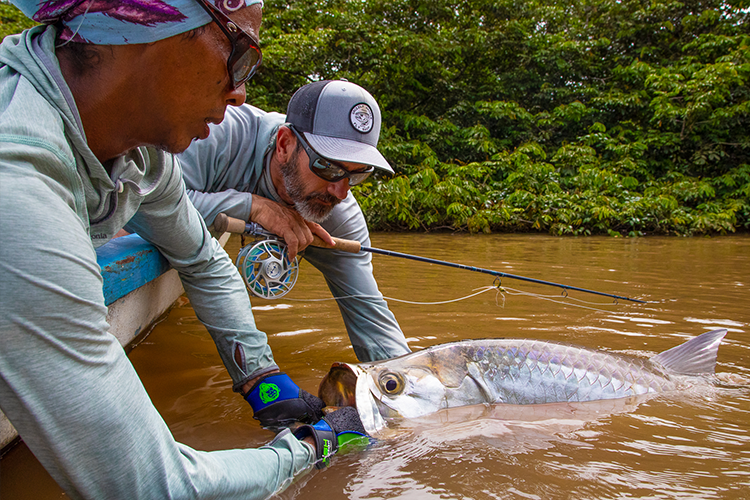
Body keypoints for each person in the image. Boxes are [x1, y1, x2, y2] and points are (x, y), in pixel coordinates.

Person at [0, 1, 365, 499]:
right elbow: (155, 486)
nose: (240, 94)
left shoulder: (143, 155)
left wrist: (260, 376)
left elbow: (204, 259)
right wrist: (315, 445)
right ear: (141, 32)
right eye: (238, 56)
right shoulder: (16, 190)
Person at [178, 79, 412, 365]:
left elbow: (373, 323)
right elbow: (149, 201)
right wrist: (253, 207)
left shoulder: (340, 214)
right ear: (284, 144)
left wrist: (406, 385)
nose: (341, 192)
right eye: (328, 167)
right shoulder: (215, 131)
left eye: (357, 174)